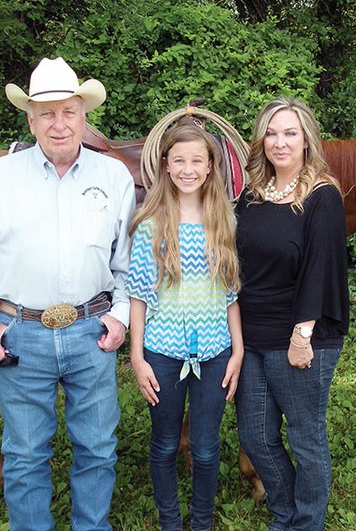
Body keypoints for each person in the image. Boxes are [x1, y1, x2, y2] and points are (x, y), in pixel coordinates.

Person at [0, 57, 136, 530]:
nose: (59, 124)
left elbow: (128, 262)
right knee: (26, 452)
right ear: (29, 119)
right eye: (47, 113)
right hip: (21, 335)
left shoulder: (112, 177)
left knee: (97, 447)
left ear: (83, 116)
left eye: (68, 112)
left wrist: (119, 317)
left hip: (91, 331)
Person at [234, 97, 349, 531]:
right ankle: (284, 512)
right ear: (261, 138)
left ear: (306, 140)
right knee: (256, 437)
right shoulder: (251, 194)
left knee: (305, 438)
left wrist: (301, 335)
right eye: (272, 132)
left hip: (300, 337)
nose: (280, 142)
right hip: (252, 333)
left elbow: (320, 268)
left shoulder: (321, 195)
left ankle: (307, 523)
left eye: (290, 133)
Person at [126, 121, 243, 531]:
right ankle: (171, 521)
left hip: (215, 352)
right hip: (161, 352)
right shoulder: (151, 223)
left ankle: (202, 521)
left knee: (207, 449)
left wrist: (238, 349)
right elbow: (138, 295)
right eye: (179, 160)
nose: (188, 169)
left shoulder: (223, 219)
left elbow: (230, 292)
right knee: (164, 444)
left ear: (211, 166)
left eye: (197, 160)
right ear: (165, 165)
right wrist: (137, 356)